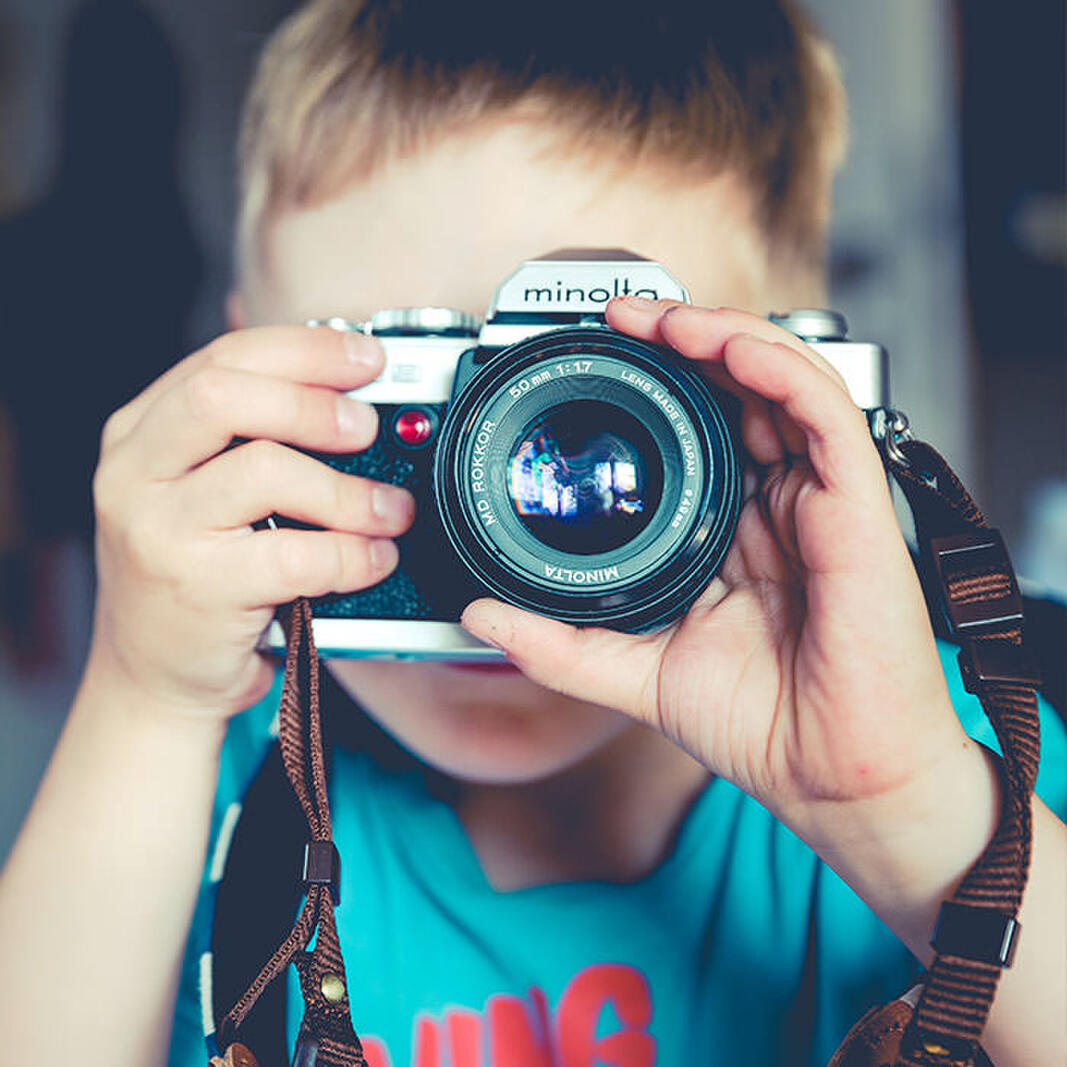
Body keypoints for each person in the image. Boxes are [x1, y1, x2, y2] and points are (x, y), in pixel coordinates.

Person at [1, 2, 1064, 1065]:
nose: (496, 531)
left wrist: (909, 818)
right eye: (424, 405)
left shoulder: (932, 750)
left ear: (791, 387)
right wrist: (143, 699)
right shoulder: (210, 779)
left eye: (614, 398)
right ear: (249, 377)